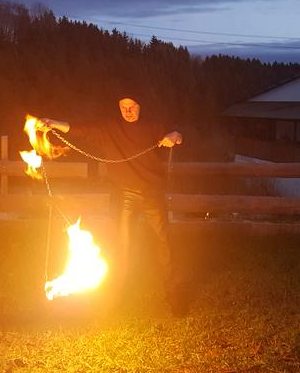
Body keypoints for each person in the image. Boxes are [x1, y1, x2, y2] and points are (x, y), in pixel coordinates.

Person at [41, 94, 189, 315]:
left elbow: (177, 134)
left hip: (152, 194)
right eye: (123, 106)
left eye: (132, 106)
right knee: (122, 246)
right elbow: (80, 129)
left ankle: (174, 294)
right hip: (125, 196)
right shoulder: (109, 128)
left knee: (164, 243)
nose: (128, 111)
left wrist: (174, 136)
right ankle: (114, 297)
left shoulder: (154, 124)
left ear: (141, 106)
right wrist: (53, 123)